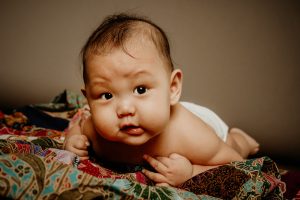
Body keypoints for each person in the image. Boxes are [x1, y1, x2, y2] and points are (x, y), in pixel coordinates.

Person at [64, 13, 259, 187]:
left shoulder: (188, 134)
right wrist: (73, 138)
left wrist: (191, 172)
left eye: (140, 90)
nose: (124, 109)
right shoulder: (95, 130)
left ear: (172, 87)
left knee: (234, 146)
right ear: (89, 100)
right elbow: (79, 124)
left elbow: (235, 164)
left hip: (206, 125)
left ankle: (242, 138)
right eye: (107, 95)